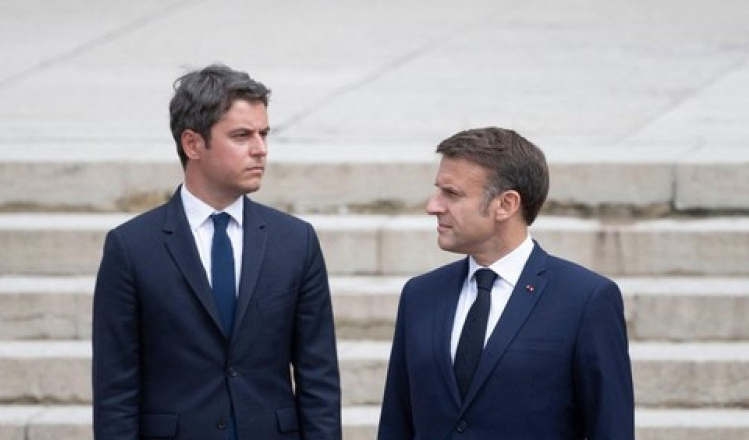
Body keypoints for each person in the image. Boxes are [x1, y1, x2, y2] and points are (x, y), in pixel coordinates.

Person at [92, 64, 341, 440]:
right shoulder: (131, 247)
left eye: (264, 134)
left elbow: (319, 378)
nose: (261, 149)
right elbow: (115, 390)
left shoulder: (296, 241)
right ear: (192, 144)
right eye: (242, 136)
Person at [377, 127, 634, 439]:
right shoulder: (420, 295)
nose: (433, 206)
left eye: (452, 194)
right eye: (437, 190)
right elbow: (396, 422)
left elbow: (610, 427)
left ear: (506, 204)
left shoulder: (585, 300)